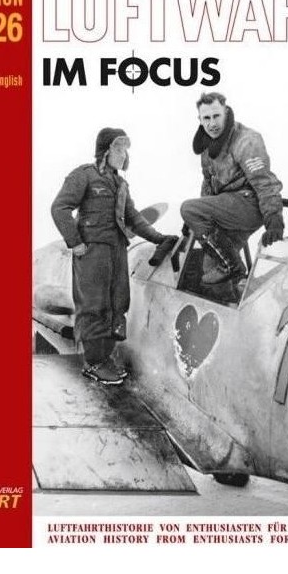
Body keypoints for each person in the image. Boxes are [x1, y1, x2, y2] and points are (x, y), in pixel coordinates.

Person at [51, 128, 176, 385]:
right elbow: (59, 208)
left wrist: (159, 238)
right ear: (106, 151)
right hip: (92, 252)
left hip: (117, 250)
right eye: (119, 149)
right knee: (94, 305)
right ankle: (93, 363)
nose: (123, 154)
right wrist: (75, 243)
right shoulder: (84, 175)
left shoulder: (120, 184)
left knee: (117, 303)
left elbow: (134, 218)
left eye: (125, 150)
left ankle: (104, 358)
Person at [180, 92, 284, 284]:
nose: (212, 123)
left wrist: (274, 219)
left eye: (216, 116)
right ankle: (237, 286)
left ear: (226, 113)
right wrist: (197, 219)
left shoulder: (246, 140)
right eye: (206, 118)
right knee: (211, 273)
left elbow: (264, 182)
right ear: (200, 120)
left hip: (249, 205)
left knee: (188, 208)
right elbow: (209, 183)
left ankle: (233, 266)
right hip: (228, 210)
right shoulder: (207, 145)